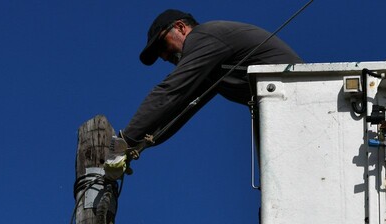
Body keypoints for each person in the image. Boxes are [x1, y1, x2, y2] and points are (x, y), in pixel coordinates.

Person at [121, 9, 303, 147]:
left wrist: (124, 141)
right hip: (290, 108)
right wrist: (139, 145)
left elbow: (171, 91)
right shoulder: (210, 66)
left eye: (163, 45)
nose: (164, 56)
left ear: (180, 27)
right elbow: (182, 108)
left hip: (300, 97)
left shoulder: (202, 37)